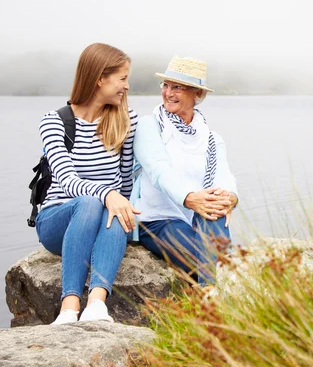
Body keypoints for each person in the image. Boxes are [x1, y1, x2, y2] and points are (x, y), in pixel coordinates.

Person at [36, 43, 139, 325]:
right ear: (99, 79)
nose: (127, 87)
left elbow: (126, 179)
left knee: (117, 209)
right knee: (92, 202)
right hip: (60, 221)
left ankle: (96, 304)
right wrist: (108, 194)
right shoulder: (54, 122)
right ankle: (69, 307)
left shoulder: (126, 120)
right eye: (122, 79)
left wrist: (122, 208)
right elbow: (67, 181)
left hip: (107, 223)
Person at [132, 56, 237, 283]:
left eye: (177, 87)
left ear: (197, 94)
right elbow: (160, 171)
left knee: (216, 208)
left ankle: (213, 297)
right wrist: (191, 198)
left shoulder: (210, 137)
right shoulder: (148, 126)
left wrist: (230, 198)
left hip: (197, 217)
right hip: (157, 219)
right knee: (208, 259)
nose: (168, 93)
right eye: (166, 85)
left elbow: (223, 175)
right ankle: (217, 297)